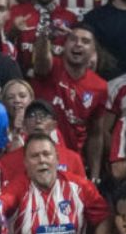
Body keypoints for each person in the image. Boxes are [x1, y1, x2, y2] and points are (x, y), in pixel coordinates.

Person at [32, 21, 108, 181]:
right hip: (39, 155)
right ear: (65, 44)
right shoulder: (51, 67)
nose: (78, 44)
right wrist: (46, 37)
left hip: (73, 162)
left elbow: (96, 133)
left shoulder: (100, 86)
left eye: (85, 41)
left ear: (94, 51)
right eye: (73, 39)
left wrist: (94, 175)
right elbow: (40, 59)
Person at [0, 99, 86, 185]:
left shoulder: (73, 159)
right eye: (32, 116)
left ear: (54, 125)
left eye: (44, 116)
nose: (38, 121)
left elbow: (83, 192)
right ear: (24, 125)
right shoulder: (7, 162)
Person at [6, 0, 77, 76]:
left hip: (58, 85)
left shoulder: (70, 18)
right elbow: (1, 49)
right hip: (20, 81)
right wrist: (12, 33)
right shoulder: (15, 13)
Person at [1, 79, 36, 152]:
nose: (17, 100)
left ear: (31, 99)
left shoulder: (45, 126)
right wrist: (16, 134)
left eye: (22, 96)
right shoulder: (0, 130)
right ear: (4, 104)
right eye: (11, 97)